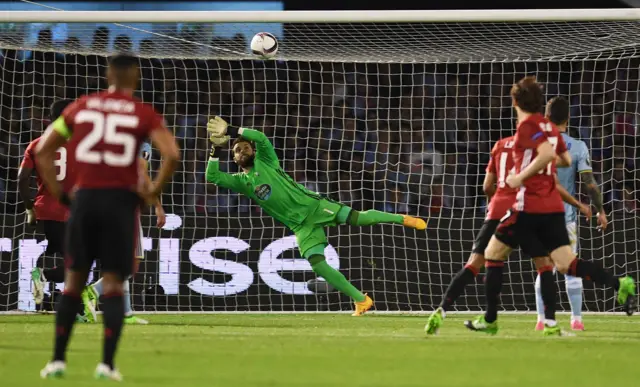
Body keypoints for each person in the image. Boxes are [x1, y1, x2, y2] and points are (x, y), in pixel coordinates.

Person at [36, 54, 180, 380]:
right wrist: (152, 192)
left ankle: (57, 361)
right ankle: (107, 365)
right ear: (137, 77)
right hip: (120, 202)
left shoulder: (80, 107)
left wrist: (60, 193)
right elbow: (171, 153)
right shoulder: (144, 113)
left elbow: (45, 149)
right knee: (115, 282)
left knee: (73, 281)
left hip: (84, 199)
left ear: (107, 75)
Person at [464, 76, 635, 336]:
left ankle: (491, 319)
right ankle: (618, 283)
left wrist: (521, 176)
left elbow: (546, 156)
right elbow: (563, 158)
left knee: (492, 255)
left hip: (529, 207)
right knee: (566, 264)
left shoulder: (529, 126)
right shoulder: (553, 131)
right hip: (554, 210)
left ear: (515, 102)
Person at [205, 116, 427, 316]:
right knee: (317, 264)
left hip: (314, 206)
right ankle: (361, 300)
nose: (241, 151)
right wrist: (216, 150)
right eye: (236, 150)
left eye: (245, 148)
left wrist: (232, 130)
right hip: (301, 226)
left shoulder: (266, 161)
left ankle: (403, 219)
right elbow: (212, 176)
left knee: (359, 218)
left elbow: (261, 137)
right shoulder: (241, 182)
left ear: (253, 152)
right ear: (233, 158)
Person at [424, 135, 590, 335]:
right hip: (522, 213)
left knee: (474, 265)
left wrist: (495, 206)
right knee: (544, 265)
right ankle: (549, 323)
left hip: (496, 214)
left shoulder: (499, 146)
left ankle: (442, 310)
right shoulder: (534, 150)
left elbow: (487, 186)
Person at [534, 96, 609, 331]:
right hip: (565, 219)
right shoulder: (577, 146)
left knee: (544, 269)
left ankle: (541, 320)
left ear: (546, 118)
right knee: (571, 268)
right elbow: (590, 183)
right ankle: (576, 319)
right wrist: (601, 210)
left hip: (538, 218)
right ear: (568, 118)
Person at [81, 141, 166, 325]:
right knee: (132, 262)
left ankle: (126, 313)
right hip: (124, 207)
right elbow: (142, 174)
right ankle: (93, 291)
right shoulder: (141, 144)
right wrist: (158, 206)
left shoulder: (109, 141)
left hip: (101, 204)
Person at [19, 99, 89, 322]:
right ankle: (45, 277)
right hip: (71, 212)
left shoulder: (37, 144)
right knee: (77, 265)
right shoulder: (80, 145)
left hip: (45, 212)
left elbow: (22, 179)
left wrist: (29, 207)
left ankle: (74, 309)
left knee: (67, 258)